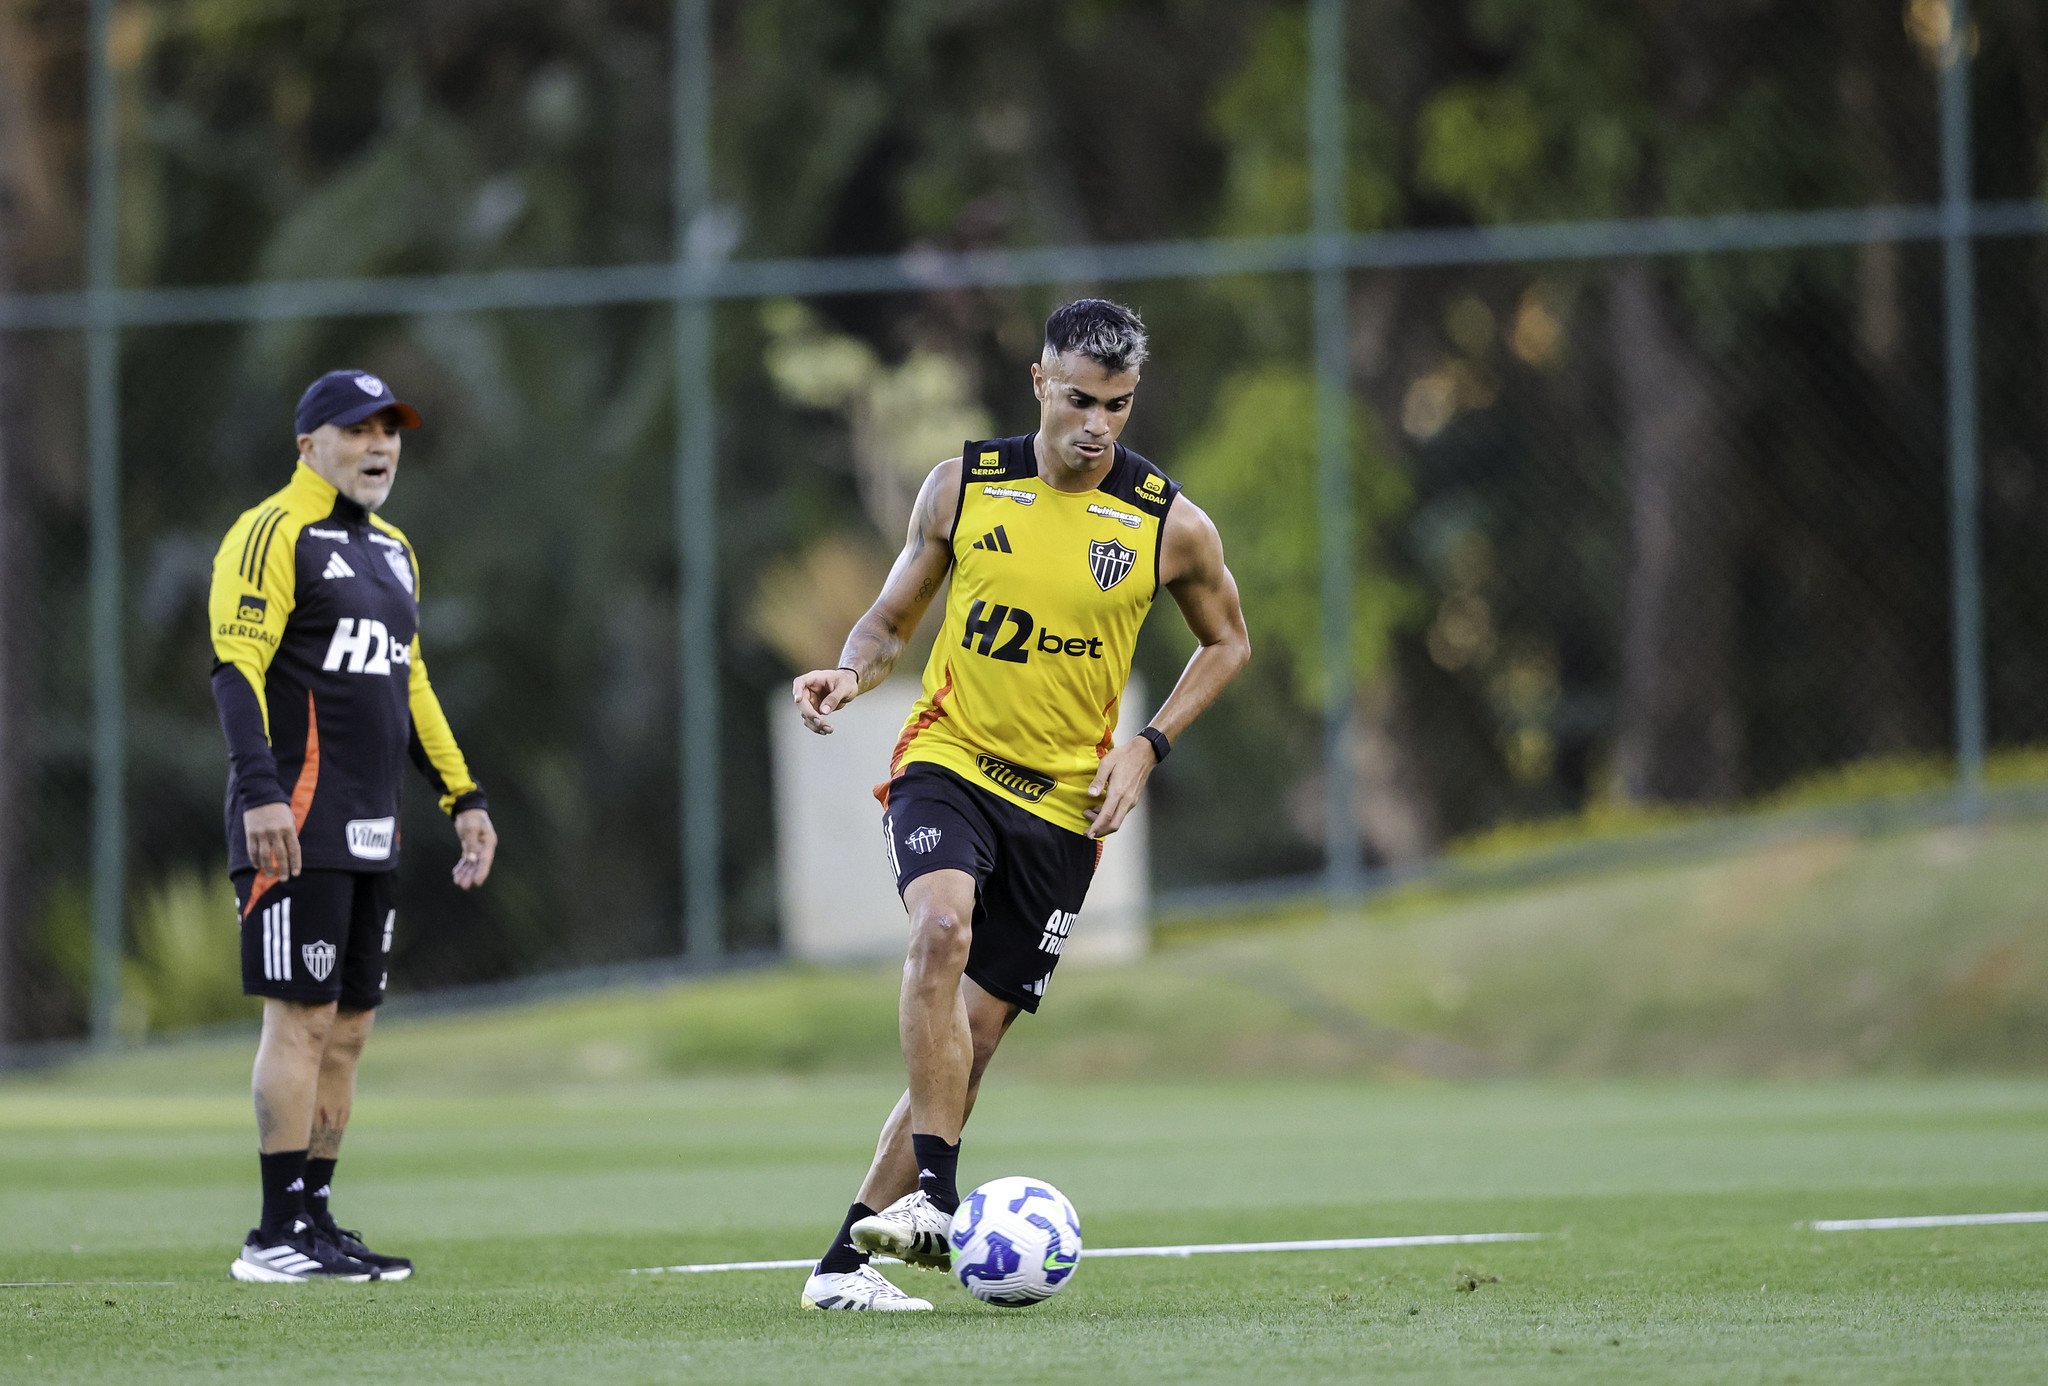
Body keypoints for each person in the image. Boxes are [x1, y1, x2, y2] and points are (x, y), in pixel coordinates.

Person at [790, 299, 1251, 1310]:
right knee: (938, 932)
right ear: (1039, 383)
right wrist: (847, 672)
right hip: (949, 763)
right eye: (1079, 398)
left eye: (1117, 405)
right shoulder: (962, 487)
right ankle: (941, 1204)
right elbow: (890, 615)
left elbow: (1228, 642)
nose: (1095, 423)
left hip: (1062, 812)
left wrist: (1148, 742)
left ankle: (841, 1267)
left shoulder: (1167, 522)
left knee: (974, 1040)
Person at [207, 370, 497, 1282]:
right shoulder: (272, 532)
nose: (380, 445)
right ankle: (272, 1234)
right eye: (356, 429)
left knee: (349, 1030)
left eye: (391, 430)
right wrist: (257, 791)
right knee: (299, 1020)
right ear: (308, 444)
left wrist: (465, 797)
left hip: (376, 827)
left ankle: (317, 1219)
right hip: (292, 820)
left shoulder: (396, 552)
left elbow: (408, 684)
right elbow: (234, 669)